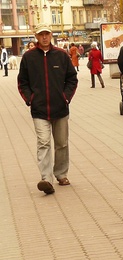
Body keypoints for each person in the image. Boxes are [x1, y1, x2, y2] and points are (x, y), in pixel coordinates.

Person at [17, 23, 78, 195]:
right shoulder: (29, 57)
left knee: (62, 143)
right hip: (39, 110)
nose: (44, 37)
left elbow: (72, 79)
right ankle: (45, 178)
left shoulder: (61, 55)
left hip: (60, 108)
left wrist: (65, 97)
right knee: (43, 142)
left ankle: (61, 174)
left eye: (47, 34)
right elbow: (22, 82)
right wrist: (30, 99)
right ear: (36, 37)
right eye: (41, 34)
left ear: (51, 36)